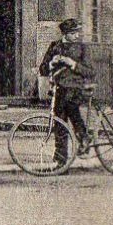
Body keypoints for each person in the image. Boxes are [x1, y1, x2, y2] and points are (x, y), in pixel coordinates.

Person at [38, 18, 95, 165]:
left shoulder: (81, 48)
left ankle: (81, 140)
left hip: (76, 88)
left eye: (77, 32)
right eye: (73, 33)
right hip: (59, 89)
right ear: (65, 33)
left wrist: (73, 64)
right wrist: (51, 63)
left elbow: (90, 71)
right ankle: (62, 160)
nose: (77, 35)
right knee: (59, 123)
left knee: (65, 113)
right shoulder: (54, 46)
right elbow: (43, 69)